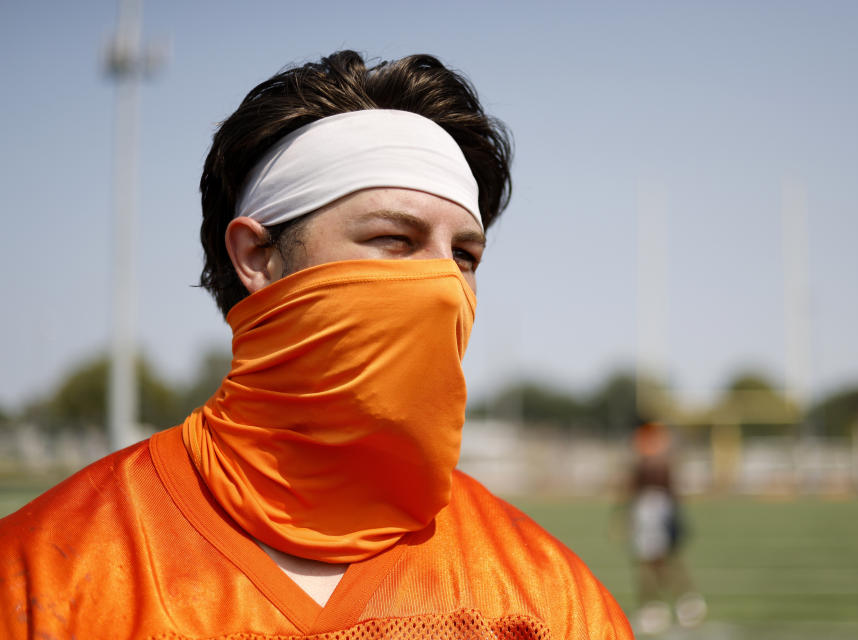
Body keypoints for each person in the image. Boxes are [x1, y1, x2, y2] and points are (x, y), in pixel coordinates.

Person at [0, 50, 632, 639]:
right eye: (394, 238)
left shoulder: (549, 596)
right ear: (256, 254)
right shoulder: (45, 570)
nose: (441, 282)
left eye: (464, 254)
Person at [625, 420, 706, 635]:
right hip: (648, 510)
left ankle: (678, 604)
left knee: (658, 561)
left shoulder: (655, 453)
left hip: (656, 511)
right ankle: (665, 606)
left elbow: (654, 479)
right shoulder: (651, 450)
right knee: (650, 562)